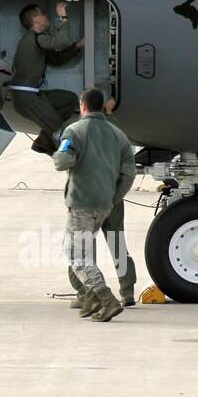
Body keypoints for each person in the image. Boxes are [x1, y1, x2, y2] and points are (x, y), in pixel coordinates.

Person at [52, 88, 136, 322]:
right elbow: (129, 173)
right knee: (98, 247)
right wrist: (113, 197)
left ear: (82, 105)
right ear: (102, 106)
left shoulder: (75, 130)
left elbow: (62, 161)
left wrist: (58, 150)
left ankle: (104, 297)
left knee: (75, 253)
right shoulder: (118, 135)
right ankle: (92, 298)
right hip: (105, 204)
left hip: (81, 203)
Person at [12, 1, 84, 155]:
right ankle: (70, 156)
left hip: (32, 95)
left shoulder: (38, 40)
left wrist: (77, 46)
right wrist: (63, 17)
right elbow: (61, 41)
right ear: (36, 20)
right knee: (60, 131)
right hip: (26, 98)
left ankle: (45, 141)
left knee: (69, 99)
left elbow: (56, 59)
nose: (47, 16)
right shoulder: (35, 38)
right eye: (44, 14)